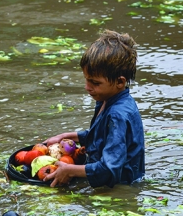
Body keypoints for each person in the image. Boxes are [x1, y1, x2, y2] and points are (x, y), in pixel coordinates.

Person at [43, 29, 145, 188]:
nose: (87, 87)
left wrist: (70, 170)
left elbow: (109, 169)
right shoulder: (107, 98)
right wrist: (65, 136)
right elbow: (101, 137)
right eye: (86, 80)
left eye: (95, 83)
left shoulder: (118, 115)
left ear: (119, 81)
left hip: (121, 186)